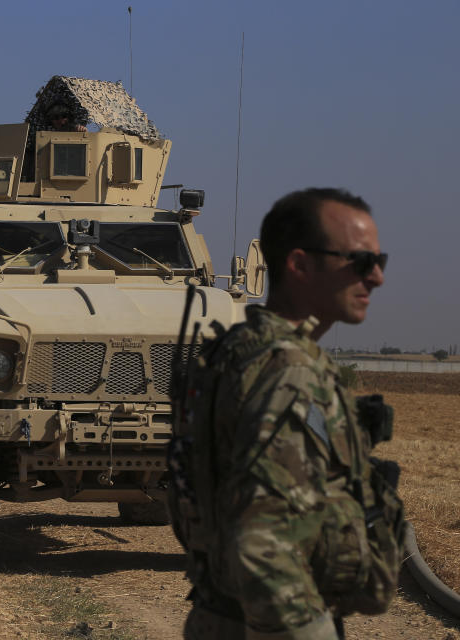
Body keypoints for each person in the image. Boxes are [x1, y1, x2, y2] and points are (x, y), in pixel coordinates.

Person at [168, 188, 405, 639]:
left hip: (223, 616)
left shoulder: (237, 353)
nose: (376, 278)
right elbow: (263, 545)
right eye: (359, 262)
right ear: (298, 265)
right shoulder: (289, 373)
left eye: (380, 261)